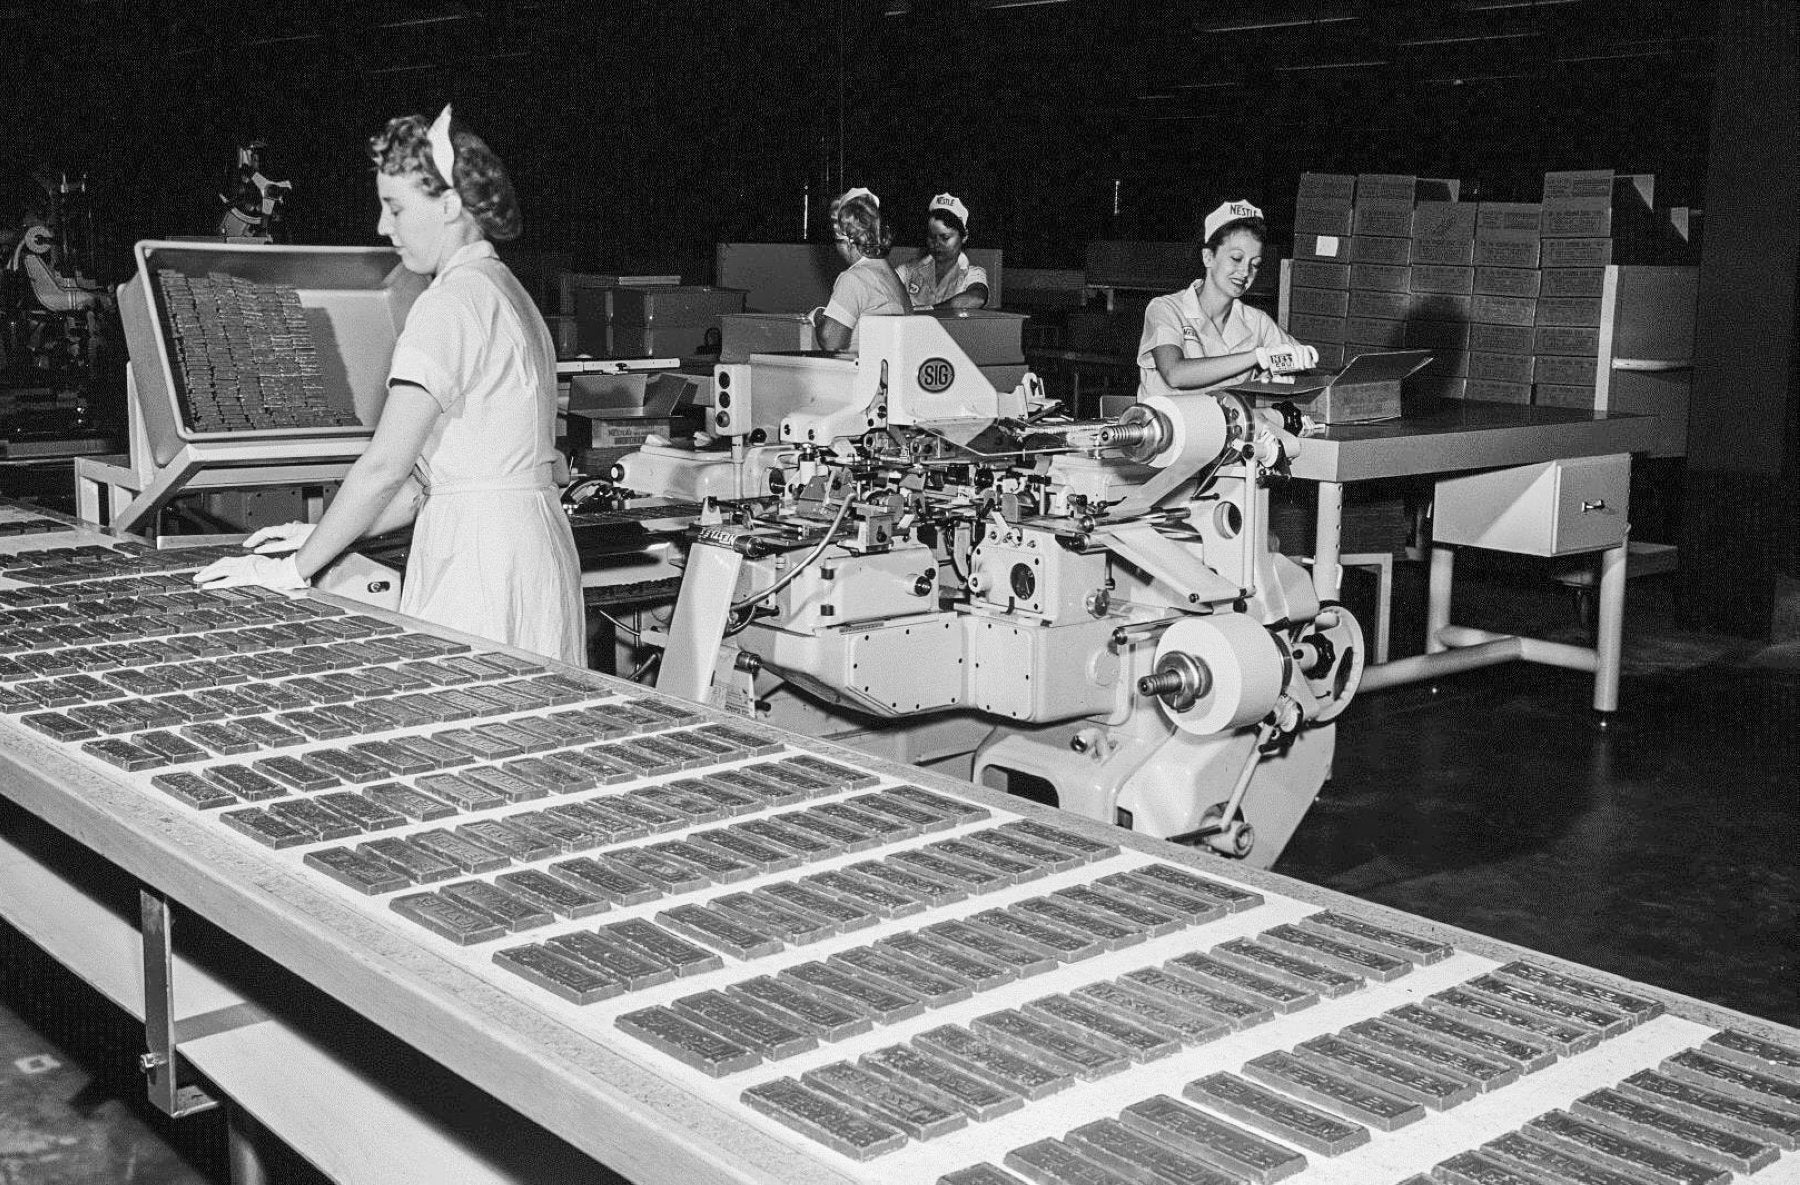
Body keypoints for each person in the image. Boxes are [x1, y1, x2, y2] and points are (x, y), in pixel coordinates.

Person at [195, 105, 585, 667]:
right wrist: (318, 536)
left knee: (469, 731)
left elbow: (385, 467)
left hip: (479, 563)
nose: (383, 226)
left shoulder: (447, 305)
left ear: (450, 206)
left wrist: (291, 572)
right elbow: (428, 486)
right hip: (532, 549)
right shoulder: (508, 293)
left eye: (397, 208)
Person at [1136, 199, 1318, 401]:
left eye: (1255, 264)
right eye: (1236, 258)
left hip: (1225, 430)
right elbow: (1175, 374)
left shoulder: (1257, 322)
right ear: (1208, 257)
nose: (1245, 272)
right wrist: (1256, 357)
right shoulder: (1166, 309)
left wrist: (1291, 367)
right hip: (1166, 427)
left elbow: (1303, 375)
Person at [813, 186, 909, 352]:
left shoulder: (854, 278)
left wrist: (818, 316)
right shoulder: (891, 276)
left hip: (863, 373)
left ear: (847, 240)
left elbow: (831, 341)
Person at [896, 193, 989, 310]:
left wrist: (927, 311)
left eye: (945, 237)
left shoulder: (973, 273)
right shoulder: (908, 270)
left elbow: (976, 299)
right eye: (932, 237)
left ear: (964, 237)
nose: (937, 243)